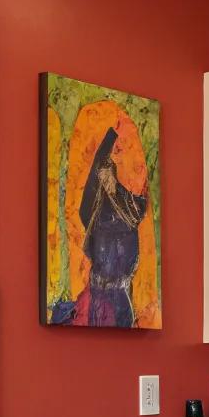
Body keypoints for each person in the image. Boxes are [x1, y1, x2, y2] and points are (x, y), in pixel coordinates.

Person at [77, 126, 148, 327]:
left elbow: (138, 212)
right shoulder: (97, 207)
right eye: (102, 176)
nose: (105, 180)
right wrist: (109, 137)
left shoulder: (127, 204)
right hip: (99, 286)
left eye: (108, 175)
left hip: (121, 286)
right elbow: (85, 210)